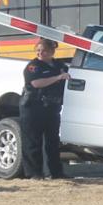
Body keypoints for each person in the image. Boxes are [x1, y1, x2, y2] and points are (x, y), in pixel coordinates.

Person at [20, 38, 69, 179]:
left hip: (52, 108)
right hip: (33, 107)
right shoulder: (33, 66)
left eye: (44, 50)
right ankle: (34, 173)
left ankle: (56, 172)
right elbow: (36, 83)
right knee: (33, 142)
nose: (40, 53)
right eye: (38, 50)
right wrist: (58, 77)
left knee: (53, 142)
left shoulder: (59, 65)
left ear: (52, 51)